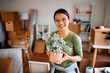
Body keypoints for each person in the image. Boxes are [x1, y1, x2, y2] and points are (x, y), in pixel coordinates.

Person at [46, 8, 83, 73]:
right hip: (55, 69)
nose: (61, 23)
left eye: (64, 19)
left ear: (68, 20)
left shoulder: (75, 38)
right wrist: (49, 53)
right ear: (55, 22)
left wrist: (68, 57)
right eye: (57, 20)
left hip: (69, 70)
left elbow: (80, 57)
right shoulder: (52, 35)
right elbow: (48, 49)